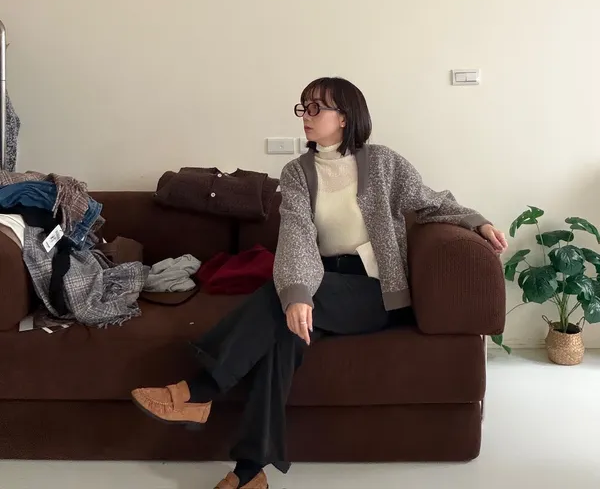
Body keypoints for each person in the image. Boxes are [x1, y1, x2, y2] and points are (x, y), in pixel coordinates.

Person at [131, 77, 507, 489]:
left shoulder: (384, 162)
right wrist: (298, 293)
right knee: (282, 337)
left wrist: (477, 222)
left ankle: (198, 389)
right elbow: (295, 234)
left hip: (375, 290)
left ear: (344, 117)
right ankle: (249, 472)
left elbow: (429, 200)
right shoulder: (296, 173)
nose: (306, 116)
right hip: (324, 280)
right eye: (303, 107)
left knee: (277, 300)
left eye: (316, 108)